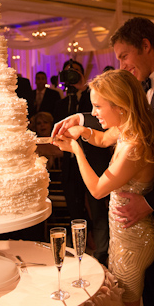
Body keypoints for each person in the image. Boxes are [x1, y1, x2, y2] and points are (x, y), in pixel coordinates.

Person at [54, 17, 154, 306]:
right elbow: (123, 120)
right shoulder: (144, 86)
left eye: (124, 56)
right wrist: (82, 122)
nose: (123, 65)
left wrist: (151, 202)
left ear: (146, 46)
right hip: (146, 214)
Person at [54, 69, 154, 306]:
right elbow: (102, 138)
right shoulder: (126, 128)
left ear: (120, 106)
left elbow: (97, 190)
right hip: (123, 232)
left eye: (97, 106)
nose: (94, 113)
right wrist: (84, 131)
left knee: (127, 300)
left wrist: (76, 150)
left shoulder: (134, 146)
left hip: (134, 239)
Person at [53, 60, 112, 266]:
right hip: (69, 164)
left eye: (75, 73)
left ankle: (102, 254)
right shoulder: (61, 102)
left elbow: (101, 130)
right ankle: (81, 253)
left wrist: (83, 90)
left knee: (98, 211)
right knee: (76, 211)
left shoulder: (92, 96)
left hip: (93, 162)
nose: (72, 77)